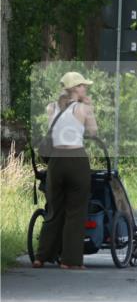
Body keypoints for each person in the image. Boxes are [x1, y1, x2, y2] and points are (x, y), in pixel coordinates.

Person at [35, 72, 98, 269]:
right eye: (83, 86)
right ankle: (70, 261)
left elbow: (54, 132)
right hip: (76, 159)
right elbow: (93, 132)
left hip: (56, 162)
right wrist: (90, 109)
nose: (85, 89)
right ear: (75, 88)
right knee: (75, 212)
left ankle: (41, 256)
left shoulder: (51, 107)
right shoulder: (83, 109)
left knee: (54, 210)